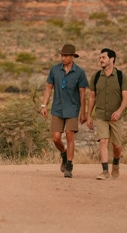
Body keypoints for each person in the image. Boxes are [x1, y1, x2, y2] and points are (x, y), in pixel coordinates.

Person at [40, 43, 88, 178]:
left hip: (72, 108)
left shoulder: (80, 72)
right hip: (57, 108)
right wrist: (44, 105)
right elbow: (49, 87)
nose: (63, 58)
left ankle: (69, 166)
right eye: (62, 55)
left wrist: (83, 113)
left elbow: (83, 93)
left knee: (69, 134)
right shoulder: (54, 70)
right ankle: (64, 154)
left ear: (72, 56)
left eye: (66, 56)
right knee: (55, 138)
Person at [87, 48, 127, 180]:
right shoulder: (96, 77)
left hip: (116, 117)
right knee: (103, 141)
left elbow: (126, 97)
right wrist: (89, 115)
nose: (101, 60)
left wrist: (119, 111)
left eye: (103, 57)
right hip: (101, 115)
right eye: (100, 58)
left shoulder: (121, 76)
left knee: (116, 146)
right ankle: (105, 171)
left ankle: (116, 162)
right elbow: (92, 97)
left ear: (112, 59)